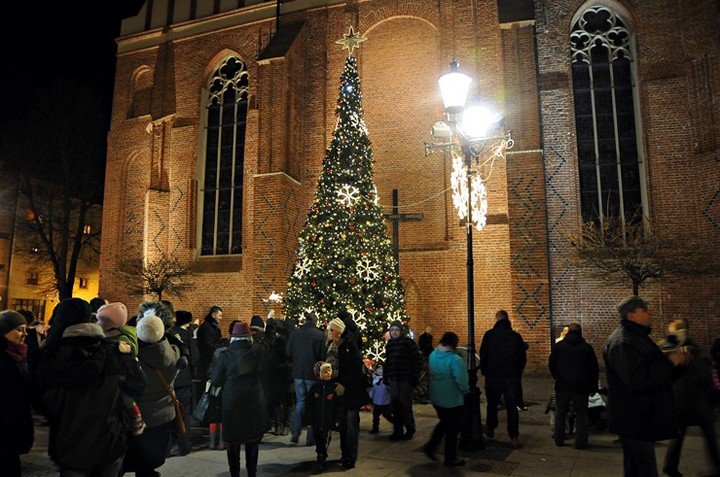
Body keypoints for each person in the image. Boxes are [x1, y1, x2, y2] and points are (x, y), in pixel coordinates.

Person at [35, 298, 146, 477]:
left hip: (70, 443)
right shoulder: (117, 351)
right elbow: (138, 386)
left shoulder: (51, 355)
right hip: (110, 440)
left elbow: (41, 402)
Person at [604, 296, 688, 477]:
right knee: (644, 470)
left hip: (641, 418)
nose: (651, 312)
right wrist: (670, 363)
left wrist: (677, 365)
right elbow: (638, 380)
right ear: (631, 315)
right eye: (644, 310)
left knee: (637, 469)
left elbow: (654, 369)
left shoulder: (637, 337)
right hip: (634, 418)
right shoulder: (623, 342)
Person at [658, 319, 720, 477]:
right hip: (689, 400)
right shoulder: (677, 347)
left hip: (691, 400)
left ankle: (670, 466)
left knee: (683, 436)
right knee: (702, 435)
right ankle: (671, 466)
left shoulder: (688, 348)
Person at [123, 314, 180, 477]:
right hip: (162, 416)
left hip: (139, 417)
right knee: (149, 465)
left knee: (134, 458)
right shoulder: (172, 353)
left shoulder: (132, 356)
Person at [211, 321, 268, 477]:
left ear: (233, 338)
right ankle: (252, 473)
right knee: (252, 441)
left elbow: (216, 380)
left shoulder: (224, 355)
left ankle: (235, 473)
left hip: (232, 403)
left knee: (233, 443)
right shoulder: (258, 351)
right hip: (253, 401)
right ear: (248, 337)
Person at [96, 302, 147, 436]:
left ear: (112, 323)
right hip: (112, 379)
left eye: (102, 321)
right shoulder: (105, 334)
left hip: (120, 378)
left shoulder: (122, 339)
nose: (98, 323)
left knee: (127, 398)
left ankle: (137, 418)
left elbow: (129, 351)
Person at [327, 316, 370, 470]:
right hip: (340, 391)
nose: (329, 332)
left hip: (351, 391)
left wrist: (344, 383)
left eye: (332, 330)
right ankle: (345, 455)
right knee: (344, 425)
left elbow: (355, 366)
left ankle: (350, 458)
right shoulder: (332, 345)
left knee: (351, 425)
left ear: (338, 331)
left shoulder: (348, 344)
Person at [480, 309, 527, 449]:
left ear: (497, 319)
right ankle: (514, 437)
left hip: (493, 377)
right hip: (511, 377)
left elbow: (483, 354)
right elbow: (522, 358)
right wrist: (517, 373)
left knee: (492, 404)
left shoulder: (489, 335)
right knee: (512, 407)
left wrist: (486, 371)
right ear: (507, 320)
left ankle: (491, 429)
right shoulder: (515, 336)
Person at [548, 322, 599, 449]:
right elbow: (593, 369)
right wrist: (593, 387)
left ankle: (559, 439)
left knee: (560, 412)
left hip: (563, 385)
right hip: (581, 386)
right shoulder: (586, 347)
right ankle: (581, 442)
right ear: (580, 332)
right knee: (581, 414)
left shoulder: (559, 346)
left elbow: (551, 364)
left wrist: (558, 377)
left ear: (569, 331)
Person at [423, 331, 469, 467]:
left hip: (437, 397)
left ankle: (431, 447)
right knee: (453, 429)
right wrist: (467, 391)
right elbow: (461, 380)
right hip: (452, 399)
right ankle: (450, 457)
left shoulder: (433, 355)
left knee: (444, 423)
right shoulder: (455, 360)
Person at [0, 311, 35, 477]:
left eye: (25, 329)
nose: (25, 334)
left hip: (12, 430)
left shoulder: (17, 355)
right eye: (20, 329)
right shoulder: (5, 357)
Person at [286, 310, 326, 444]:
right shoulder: (320, 335)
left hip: (298, 373)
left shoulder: (295, 333)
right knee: (313, 404)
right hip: (312, 374)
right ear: (315, 322)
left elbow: (288, 351)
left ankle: (295, 433)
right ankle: (311, 437)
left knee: (300, 402)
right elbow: (322, 356)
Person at [384, 320, 422, 441]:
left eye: (396, 330)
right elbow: (388, 362)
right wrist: (386, 376)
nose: (394, 332)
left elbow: (416, 360)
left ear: (401, 331)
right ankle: (398, 430)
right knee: (395, 405)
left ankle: (410, 429)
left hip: (405, 379)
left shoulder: (408, 343)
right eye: (392, 330)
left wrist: (414, 376)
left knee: (405, 405)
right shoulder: (389, 345)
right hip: (394, 379)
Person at [169, 310, 199, 456]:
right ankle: (184, 446)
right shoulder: (187, 335)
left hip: (169, 379)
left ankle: (167, 447)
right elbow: (195, 357)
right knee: (184, 413)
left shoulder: (168, 332)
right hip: (183, 378)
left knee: (168, 413)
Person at [305, 361, 343, 472]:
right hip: (316, 420)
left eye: (329, 371)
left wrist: (338, 418)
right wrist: (309, 418)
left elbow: (338, 405)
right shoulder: (315, 388)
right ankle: (320, 453)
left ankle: (321, 458)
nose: (328, 374)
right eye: (325, 372)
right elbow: (309, 404)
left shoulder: (333, 387)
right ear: (320, 374)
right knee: (318, 438)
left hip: (328, 420)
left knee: (325, 438)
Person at [197, 306, 223, 381]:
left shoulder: (211, 326)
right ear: (213, 315)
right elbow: (209, 346)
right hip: (208, 362)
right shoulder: (207, 327)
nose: (221, 318)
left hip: (209, 360)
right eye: (220, 315)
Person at [369, 364, 393, 434]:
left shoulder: (386, 380)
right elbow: (373, 389)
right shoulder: (374, 379)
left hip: (385, 402)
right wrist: (371, 396)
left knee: (387, 415)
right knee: (375, 416)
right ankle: (375, 428)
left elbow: (390, 389)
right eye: (378, 369)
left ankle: (397, 424)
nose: (380, 370)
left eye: (381, 369)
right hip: (377, 401)